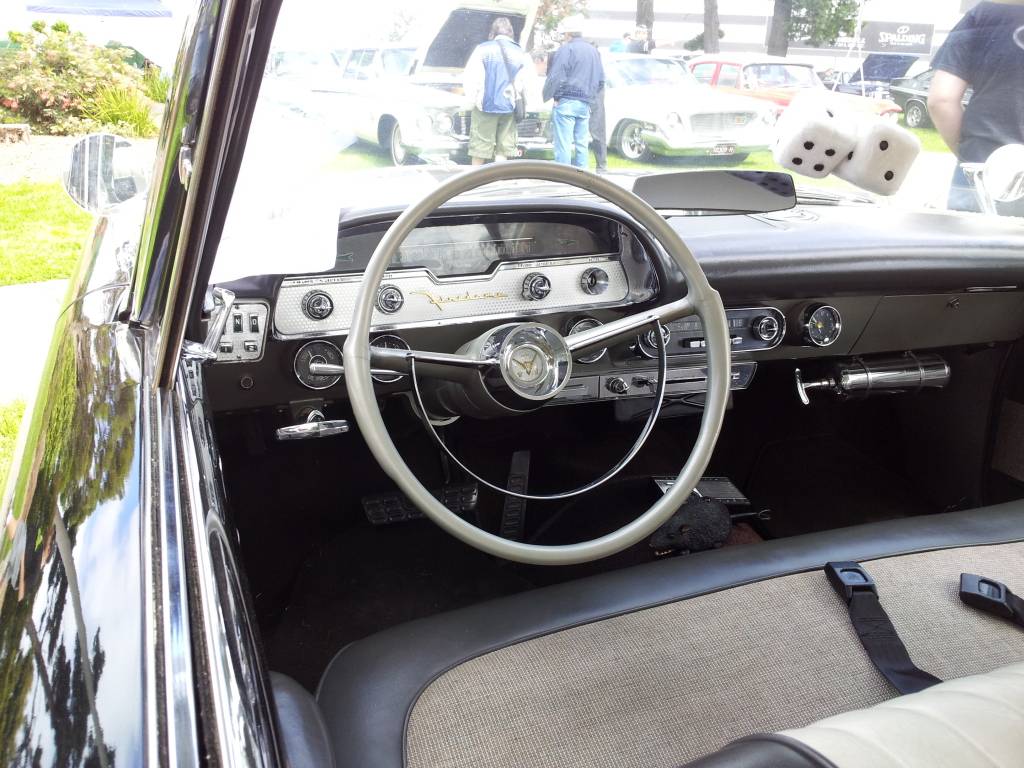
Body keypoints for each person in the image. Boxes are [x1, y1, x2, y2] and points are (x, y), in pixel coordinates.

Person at [928, 0, 1024, 213]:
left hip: (981, 172)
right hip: (984, 173)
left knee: (968, 245)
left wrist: (970, 155)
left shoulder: (984, 13)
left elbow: (941, 99)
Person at [463, 17, 529, 165]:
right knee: (503, 150)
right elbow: (524, 82)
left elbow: (473, 78)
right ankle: (498, 182)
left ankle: (475, 181)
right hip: (509, 107)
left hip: (484, 107)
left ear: (492, 32)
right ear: (510, 33)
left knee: (479, 148)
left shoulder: (482, 49)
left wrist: (472, 100)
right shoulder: (520, 52)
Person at [543, 15, 604, 168]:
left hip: (566, 102)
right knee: (582, 145)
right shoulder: (593, 51)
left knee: (563, 144)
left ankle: (564, 180)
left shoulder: (566, 49)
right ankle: (583, 180)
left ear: (568, 34)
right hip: (585, 104)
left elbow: (557, 75)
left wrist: (555, 96)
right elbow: (600, 80)